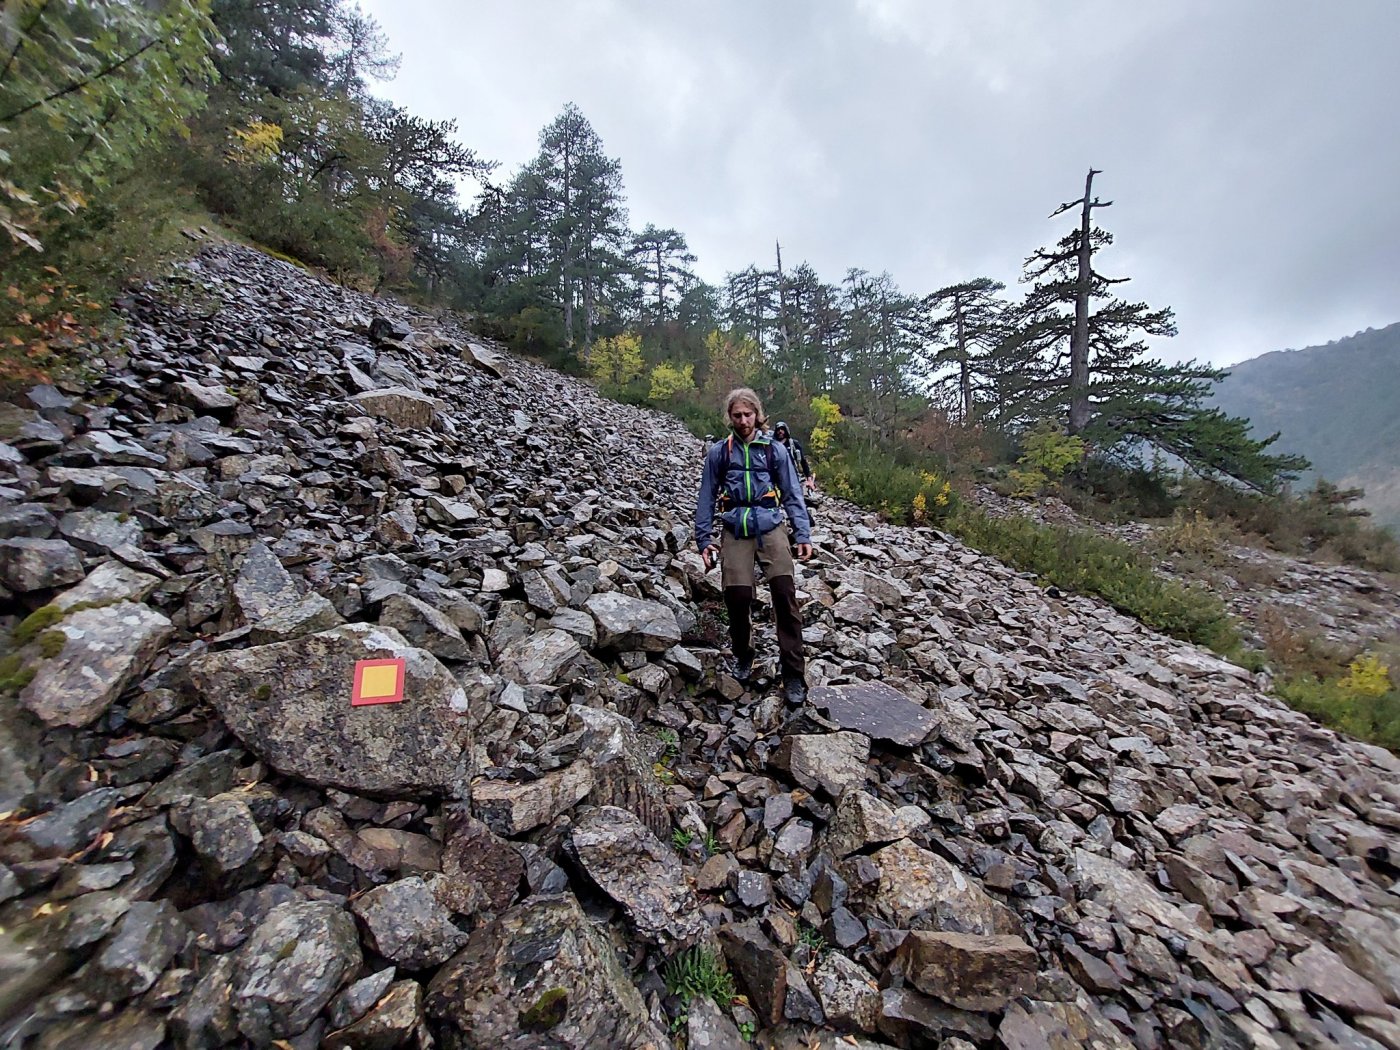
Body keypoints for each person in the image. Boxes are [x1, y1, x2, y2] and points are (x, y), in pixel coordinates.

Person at [695, 388, 814, 704]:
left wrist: (802, 534)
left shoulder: (775, 450)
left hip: (771, 526)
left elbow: (792, 493)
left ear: (757, 415)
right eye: (737, 415)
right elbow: (706, 497)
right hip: (735, 527)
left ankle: (793, 674)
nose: (744, 420)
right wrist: (704, 539)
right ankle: (743, 653)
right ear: (730, 418)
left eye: (748, 414)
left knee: (785, 596)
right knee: (737, 596)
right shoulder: (720, 453)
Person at [773, 420, 816, 494]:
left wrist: (809, 478)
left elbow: (803, 462)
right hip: (777, 477)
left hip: (793, 476)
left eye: (782, 429)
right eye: (778, 430)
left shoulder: (793, 444)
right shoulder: (773, 446)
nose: (780, 431)